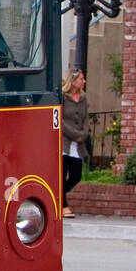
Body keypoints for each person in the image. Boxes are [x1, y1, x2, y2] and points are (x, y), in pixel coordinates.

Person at [61, 67, 89, 218]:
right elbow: (61, 120)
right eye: (81, 79)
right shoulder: (63, 97)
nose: (83, 82)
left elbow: (86, 119)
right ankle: (63, 205)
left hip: (77, 144)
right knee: (62, 174)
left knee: (76, 175)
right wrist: (74, 134)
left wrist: (83, 134)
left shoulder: (83, 98)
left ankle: (57, 198)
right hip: (64, 141)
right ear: (73, 81)